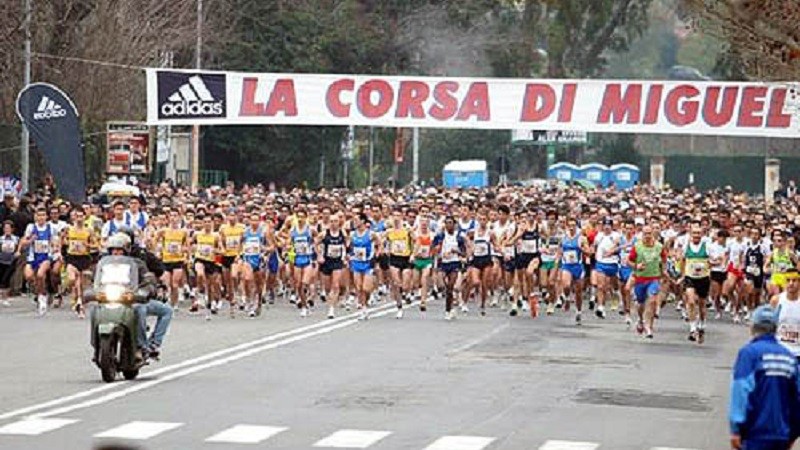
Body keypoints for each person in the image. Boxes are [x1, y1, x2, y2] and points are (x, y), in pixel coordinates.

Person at [729, 305, 799, 450]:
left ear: (753, 327)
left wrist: (736, 427)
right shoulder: (789, 357)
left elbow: (741, 390)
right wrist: (793, 433)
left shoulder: (749, 354)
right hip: (781, 432)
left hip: (755, 432)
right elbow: (797, 397)